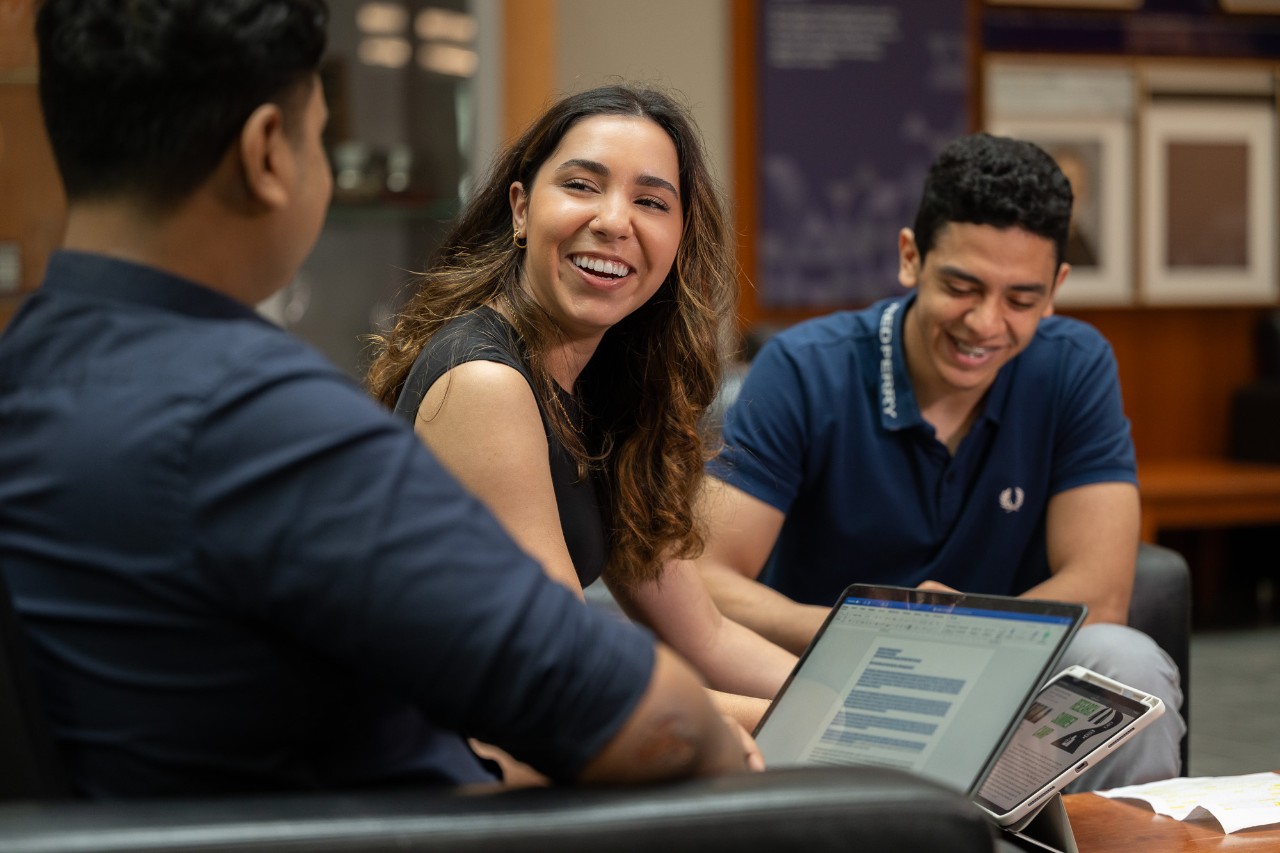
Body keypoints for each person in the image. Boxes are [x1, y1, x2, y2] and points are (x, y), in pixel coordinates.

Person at [0, 0, 753, 799]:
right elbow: (641, 720)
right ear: (267, 155)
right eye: (320, 134)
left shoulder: (27, 372)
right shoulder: (264, 421)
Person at [695, 133, 1184, 790]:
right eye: (962, 285)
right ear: (910, 258)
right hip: (830, 689)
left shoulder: (1074, 365)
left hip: (1000, 686)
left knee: (1130, 663)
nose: (985, 323)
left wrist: (961, 641)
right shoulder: (805, 368)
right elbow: (709, 579)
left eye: (1021, 298)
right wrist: (881, 633)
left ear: (1056, 288)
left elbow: (1101, 590)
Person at [365, 84, 797, 733]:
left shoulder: (605, 388)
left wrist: (858, 706)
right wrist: (819, 724)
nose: (615, 221)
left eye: (651, 201)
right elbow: (569, 668)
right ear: (521, 208)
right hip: (428, 763)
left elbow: (706, 636)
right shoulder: (483, 379)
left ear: (678, 237)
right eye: (583, 186)